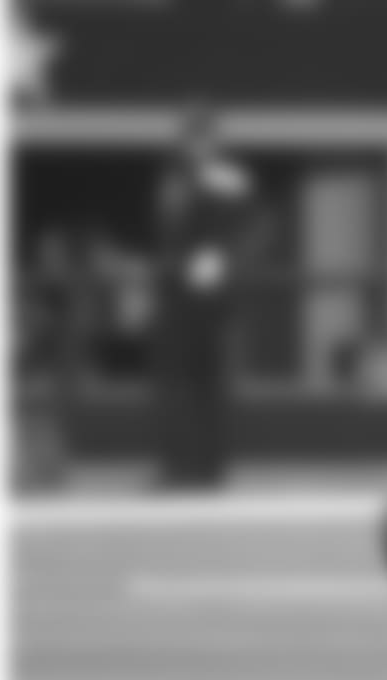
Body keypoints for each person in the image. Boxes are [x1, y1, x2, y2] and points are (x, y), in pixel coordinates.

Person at [152, 105, 253, 488]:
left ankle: (210, 466)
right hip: (177, 292)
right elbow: (169, 231)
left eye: (201, 138)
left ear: (213, 141)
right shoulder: (174, 179)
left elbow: (238, 230)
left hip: (212, 291)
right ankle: (177, 465)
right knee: (176, 381)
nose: (194, 145)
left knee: (209, 380)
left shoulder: (227, 179)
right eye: (189, 138)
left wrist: (221, 262)